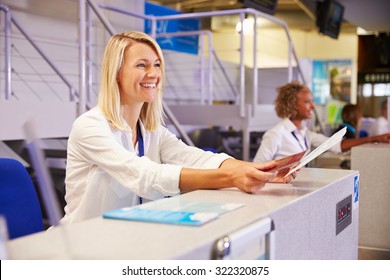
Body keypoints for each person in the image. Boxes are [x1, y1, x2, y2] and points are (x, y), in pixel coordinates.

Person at [62, 31, 294, 224]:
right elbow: (144, 175)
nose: (153, 74)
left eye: (157, 65)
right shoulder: (90, 126)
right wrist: (231, 177)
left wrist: (259, 170)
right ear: (117, 74)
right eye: (141, 65)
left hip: (130, 236)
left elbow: (197, 158)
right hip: (87, 243)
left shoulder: (152, 131)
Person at [253, 81, 390, 163]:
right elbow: (257, 166)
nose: (312, 106)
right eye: (307, 102)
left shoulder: (305, 133)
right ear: (292, 104)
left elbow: (337, 146)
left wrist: (376, 138)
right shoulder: (276, 134)